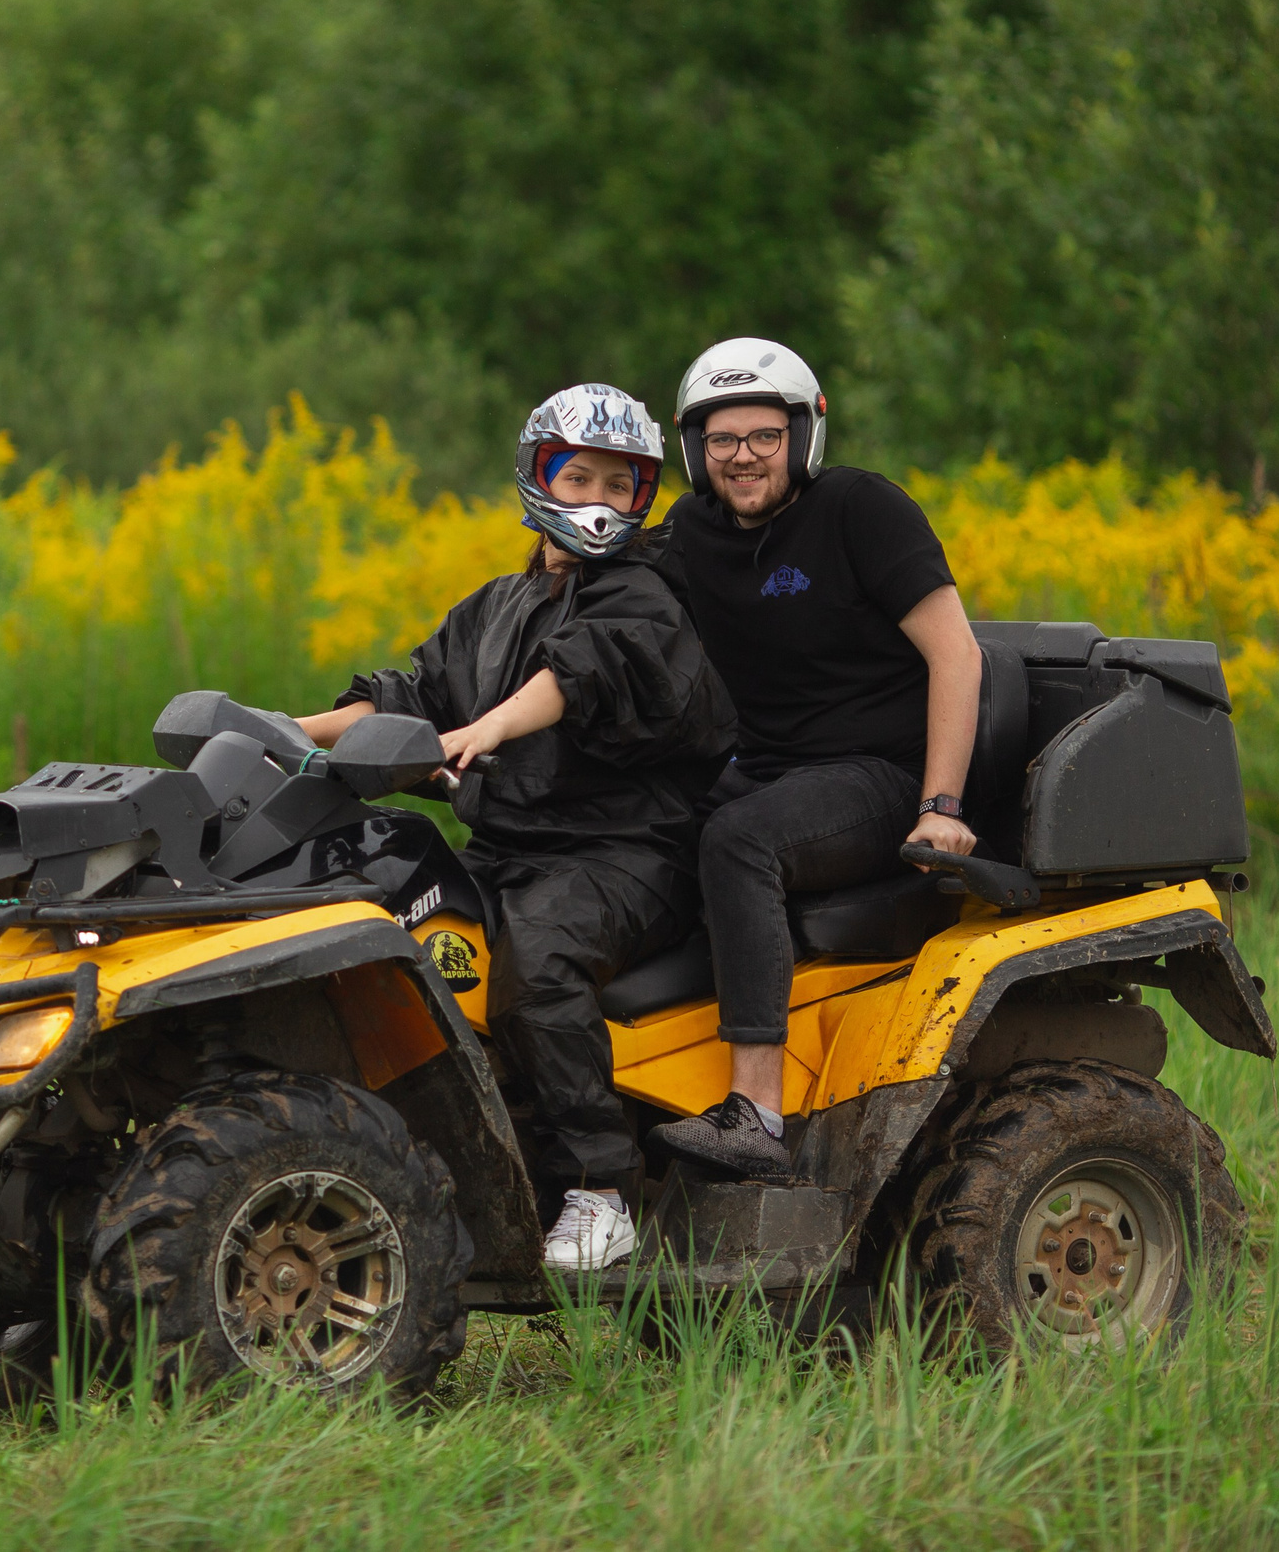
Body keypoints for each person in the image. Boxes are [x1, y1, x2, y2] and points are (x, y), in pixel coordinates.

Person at [297, 384, 734, 1271]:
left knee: (537, 961)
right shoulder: (496, 604)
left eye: (621, 484)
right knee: (389, 916)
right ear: (540, 478)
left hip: (631, 853)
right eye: (580, 478)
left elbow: (582, 672)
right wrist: (283, 733)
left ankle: (601, 1190)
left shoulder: (646, 596)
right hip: (512, 847)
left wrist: (486, 728)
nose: (601, 501)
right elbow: (408, 693)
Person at [648, 337, 982, 1178]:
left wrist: (940, 808)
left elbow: (957, 654)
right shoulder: (691, 532)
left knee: (739, 839)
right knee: (644, 821)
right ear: (696, 449)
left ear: (802, 437)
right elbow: (617, 608)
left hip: (879, 774)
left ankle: (756, 1112)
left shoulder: (862, 511)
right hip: (767, 764)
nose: (744, 456)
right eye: (722, 440)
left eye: (765, 435)